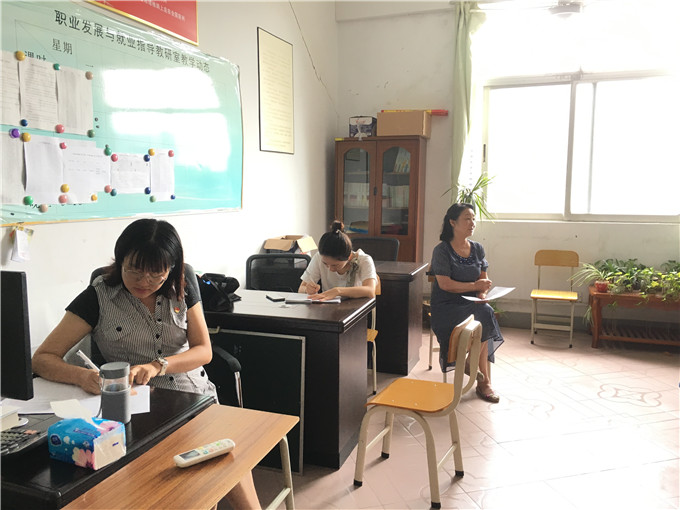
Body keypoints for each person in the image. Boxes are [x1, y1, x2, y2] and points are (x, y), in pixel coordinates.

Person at [32, 218, 261, 509]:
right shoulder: (97, 298)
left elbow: (204, 351)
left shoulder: (182, 287)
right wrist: (81, 376)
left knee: (225, 457)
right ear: (120, 261)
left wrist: (157, 365)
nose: (144, 282)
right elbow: (42, 358)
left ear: (171, 268)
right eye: (135, 271)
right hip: (135, 411)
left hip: (193, 396)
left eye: (156, 274)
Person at [429, 203, 504, 403]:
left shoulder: (477, 248)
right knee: (485, 315)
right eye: (467, 219)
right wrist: (475, 286)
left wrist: (482, 293)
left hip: (472, 304)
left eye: (473, 219)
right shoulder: (442, 250)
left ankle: (473, 366)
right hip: (447, 307)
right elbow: (445, 284)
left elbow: (483, 280)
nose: (472, 223)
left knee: (485, 311)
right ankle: (484, 382)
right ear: (452, 222)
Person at [298, 220, 377, 300]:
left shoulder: (364, 260)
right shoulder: (319, 257)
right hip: (328, 306)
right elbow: (301, 288)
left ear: (349, 257)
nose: (330, 269)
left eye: (335, 265)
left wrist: (338, 291)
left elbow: (370, 291)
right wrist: (307, 290)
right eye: (325, 264)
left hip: (356, 306)